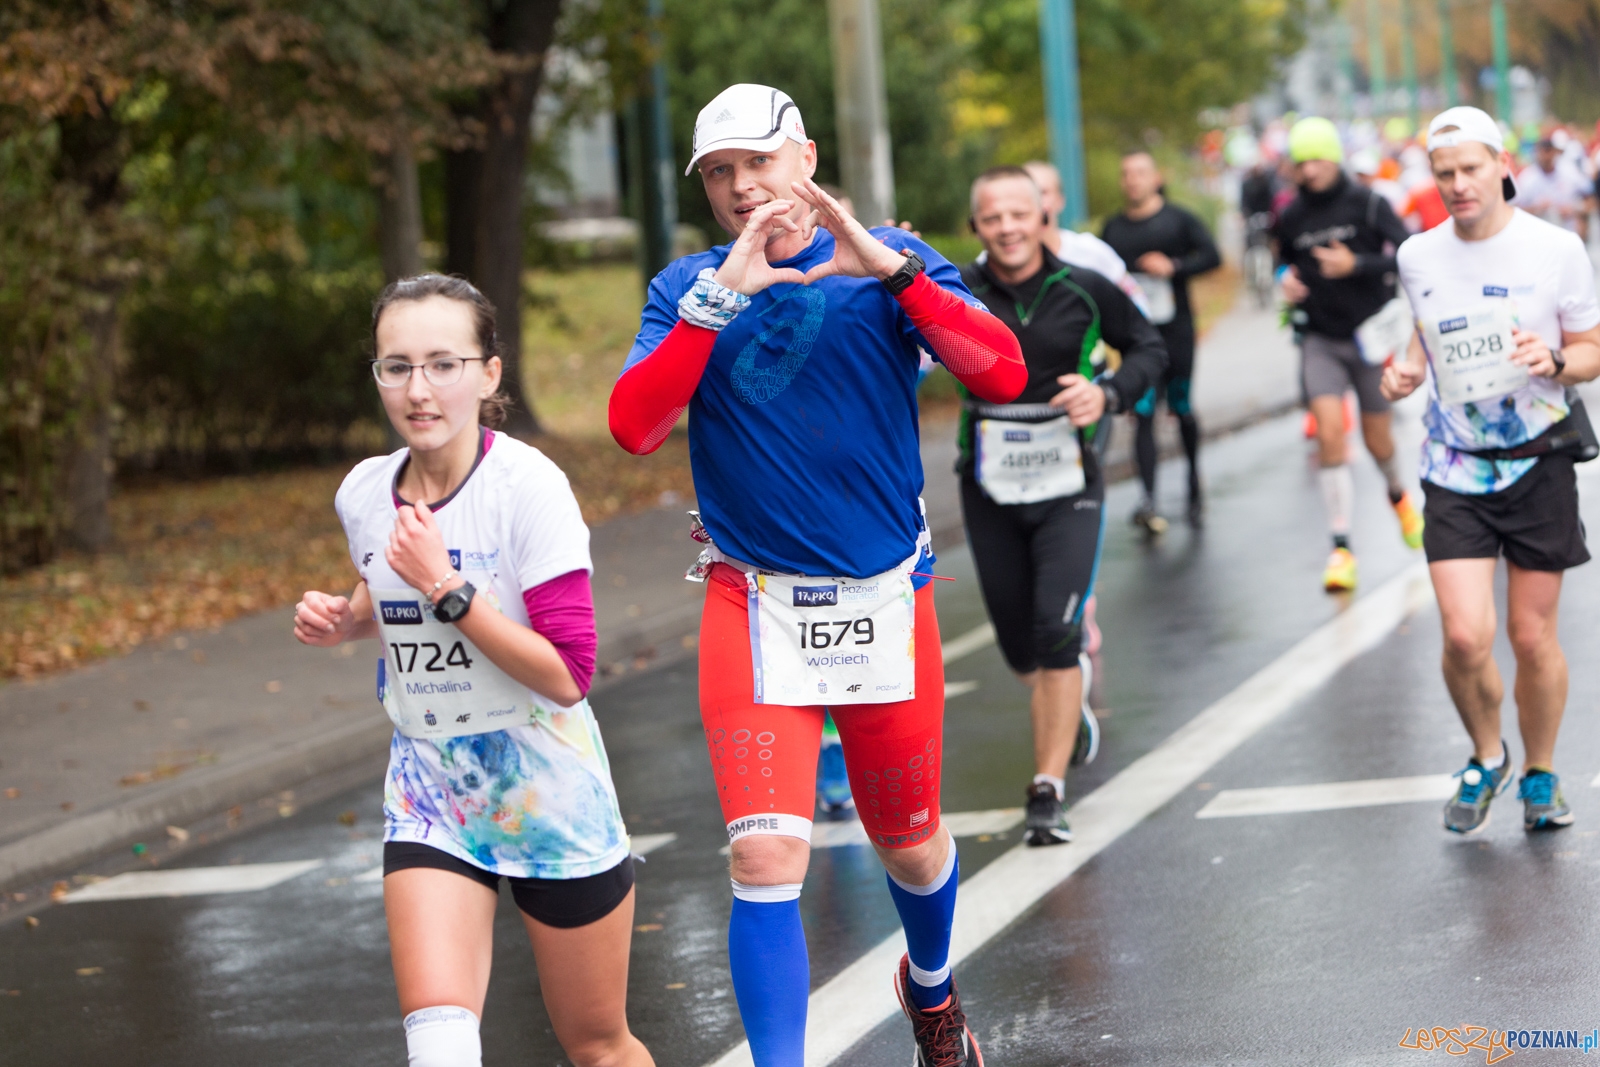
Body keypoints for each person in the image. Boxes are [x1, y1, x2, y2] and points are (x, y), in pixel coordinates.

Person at [609, 84, 1026, 1067]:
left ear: (803, 155)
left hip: (885, 597)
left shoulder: (891, 261)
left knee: (912, 844)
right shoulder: (688, 288)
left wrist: (893, 272)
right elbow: (634, 427)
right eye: (719, 172)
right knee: (762, 855)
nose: (741, 187)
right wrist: (721, 302)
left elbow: (1002, 375)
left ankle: (928, 985)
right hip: (750, 603)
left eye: (756, 162)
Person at [294, 274, 652, 1067]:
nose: (418, 389)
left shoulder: (529, 490)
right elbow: (383, 589)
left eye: (443, 364)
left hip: (549, 794)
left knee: (598, 1045)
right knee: (440, 1045)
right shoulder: (364, 492)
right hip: (432, 794)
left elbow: (568, 674)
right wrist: (343, 616)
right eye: (396, 366)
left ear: (489, 373)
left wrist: (447, 588)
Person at [1382, 107, 1600, 834]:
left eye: (1470, 169)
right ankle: (1486, 754)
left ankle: (1540, 771)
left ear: (1499, 165)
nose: (1457, 185)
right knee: (1466, 636)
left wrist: (1557, 360)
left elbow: (1593, 347)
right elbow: (1425, 330)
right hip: (1455, 464)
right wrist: (1407, 371)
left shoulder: (1556, 248)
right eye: (1444, 174)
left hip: (1539, 458)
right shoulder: (1417, 255)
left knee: (1532, 635)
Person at [959, 166, 1167, 844]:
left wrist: (1107, 393)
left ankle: (1046, 787)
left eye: (1020, 213)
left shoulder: (1084, 285)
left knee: (1057, 630)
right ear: (977, 226)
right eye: (993, 218)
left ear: (1043, 213)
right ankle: (1065, 708)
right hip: (988, 485)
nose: (1008, 228)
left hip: (1069, 483)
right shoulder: (956, 291)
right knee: (1022, 650)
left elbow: (1148, 345)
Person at [1274, 116, 1424, 592]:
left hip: (1369, 339)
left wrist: (1356, 263)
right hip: (1320, 338)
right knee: (1331, 437)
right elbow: (1284, 259)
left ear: (1334, 157)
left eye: (1317, 158)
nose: (1309, 169)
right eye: (1301, 162)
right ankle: (1341, 548)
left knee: (1379, 442)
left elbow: (1410, 253)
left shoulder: (1368, 201)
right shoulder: (1291, 214)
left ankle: (1398, 497)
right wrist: (1286, 280)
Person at [1101, 150, 1222, 531]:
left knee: (1182, 407)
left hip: (1177, 331)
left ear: (1155, 178)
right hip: (1136, 338)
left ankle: (1193, 482)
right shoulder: (1113, 229)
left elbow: (1213, 256)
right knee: (1143, 414)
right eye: (1126, 174)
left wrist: (1174, 267)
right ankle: (1148, 499)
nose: (1133, 180)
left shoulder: (1179, 219)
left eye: (1140, 172)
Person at [1512, 136, 1595, 242]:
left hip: (1568, 237)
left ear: (1554, 152)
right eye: (1542, 151)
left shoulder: (1569, 171)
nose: (1545, 156)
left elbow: (1591, 200)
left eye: (1548, 150)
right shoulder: (1527, 178)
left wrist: (1574, 209)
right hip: (1537, 240)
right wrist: (1536, 209)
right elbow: (1514, 211)